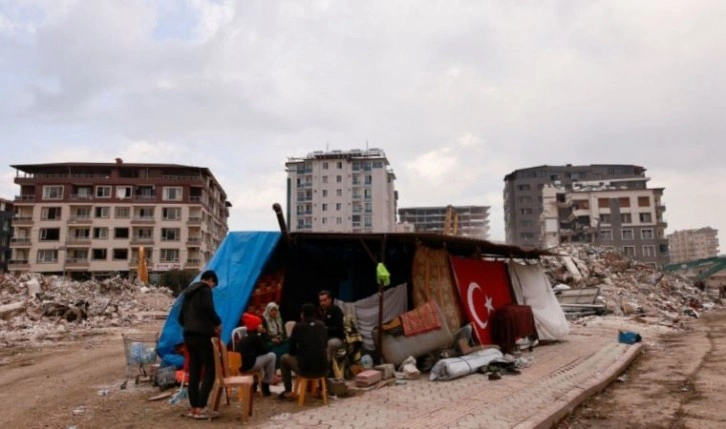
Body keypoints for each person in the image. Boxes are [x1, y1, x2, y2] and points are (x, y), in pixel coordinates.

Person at [178, 270, 221, 420]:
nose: (212, 287)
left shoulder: (188, 293)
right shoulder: (205, 290)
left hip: (188, 335)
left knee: (194, 371)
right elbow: (208, 308)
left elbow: (180, 317)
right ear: (210, 280)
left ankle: (193, 407)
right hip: (202, 335)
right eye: (213, 284)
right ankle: (201, 407)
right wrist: (217, 322)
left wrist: (189, 326)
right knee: (211, 368)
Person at [278, 303, 328, 400]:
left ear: (302, 314)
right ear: (314, 314)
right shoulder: (321, 325)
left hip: (306, 369)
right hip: (323, 369)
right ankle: (321, 390)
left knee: (284, 358)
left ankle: (288, 391)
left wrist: (300, 352)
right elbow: (325, 345)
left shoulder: (298, 326)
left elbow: (291, 350)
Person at [234, 313, 276, 396]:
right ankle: (266, 384)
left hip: (240, 367)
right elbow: (265, 350)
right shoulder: (256, 337)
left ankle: (254, 385)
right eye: (259, 324)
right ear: (255, 326)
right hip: (249, 366)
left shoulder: (244, 337)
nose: (261, 326)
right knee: (272, 356)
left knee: (259, 358)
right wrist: (264, 335)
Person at [317, 290, 345, 363]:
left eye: (324, 300)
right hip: (322, 338)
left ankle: (326, 369)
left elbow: (340, 329)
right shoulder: (318, 311)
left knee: (331, 343)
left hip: (336, 338)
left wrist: (326, 329)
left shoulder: (336, 310)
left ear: (330, 300)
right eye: (321, 301)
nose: (322, 303)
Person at [262, 302, 289, 367]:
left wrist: (281, 337)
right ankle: (276, 366)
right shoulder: (264, 321)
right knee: (273, 347)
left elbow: (284, 333)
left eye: (275, 310)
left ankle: (285, 364)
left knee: (289, 341)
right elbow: (264, 335)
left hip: (280, 340)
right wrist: (272, 339)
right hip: (270, 341)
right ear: (268, 311)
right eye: (272, 310)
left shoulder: (280, 319)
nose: (274, 312)